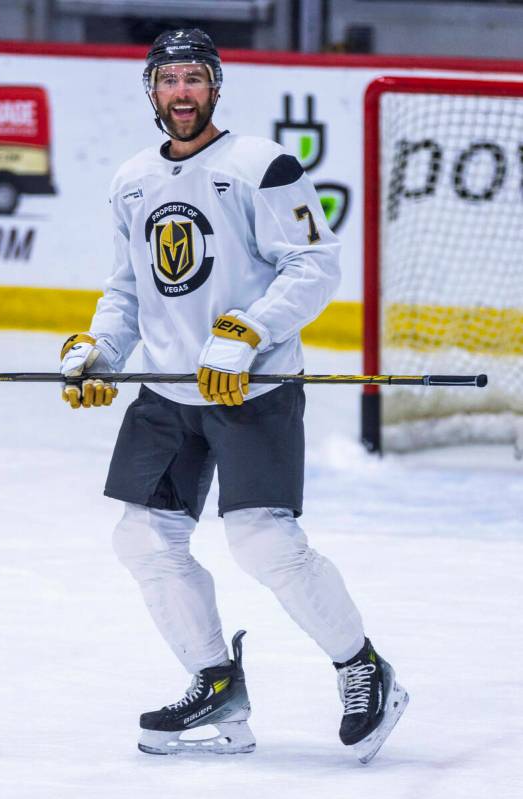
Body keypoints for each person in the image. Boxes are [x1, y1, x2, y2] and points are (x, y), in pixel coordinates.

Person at [60, 29, 408, 762]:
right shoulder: (130, 179)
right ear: (150, 92)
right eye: (167, 80)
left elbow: (314, 264)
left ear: (215, 87)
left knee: (262, 539)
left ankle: (363, 667)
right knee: (143, 538)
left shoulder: (262, 166)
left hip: (253, 387)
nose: (180, 92)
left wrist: (247, 331)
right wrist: (97, 350)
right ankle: (215, 682)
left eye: (193, 78)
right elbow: (128, 288)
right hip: (165, 391)